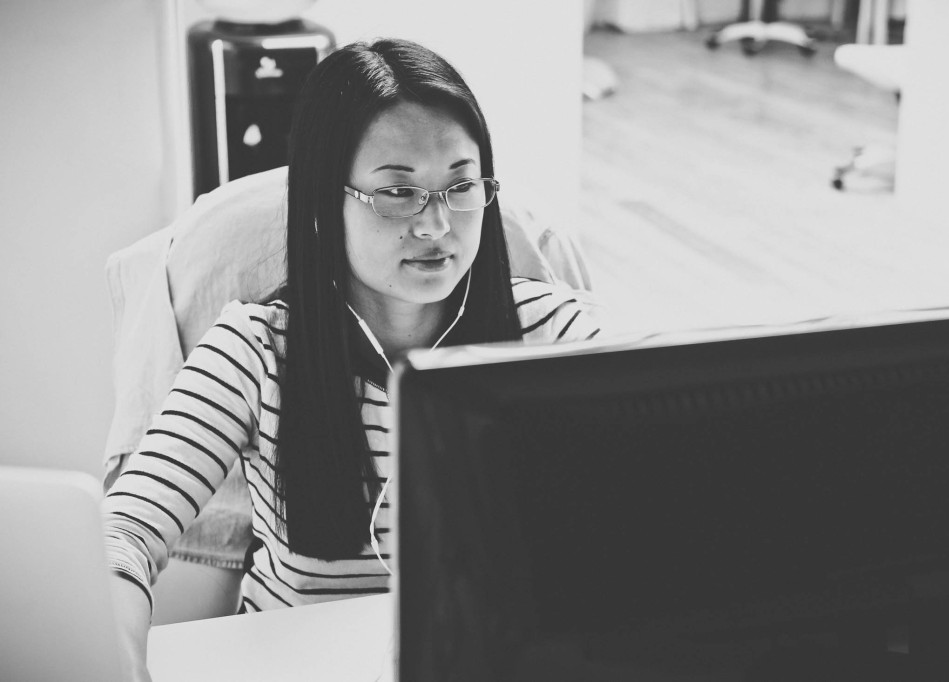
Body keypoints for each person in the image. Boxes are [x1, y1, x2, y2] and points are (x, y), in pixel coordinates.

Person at [103, 37, 600, 680]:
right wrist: (119, 659)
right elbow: (124, 533)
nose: (436, 226)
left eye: (460, 186)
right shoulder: (255, 351)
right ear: (323, 201)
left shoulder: (553, 334)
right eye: (398, 192)